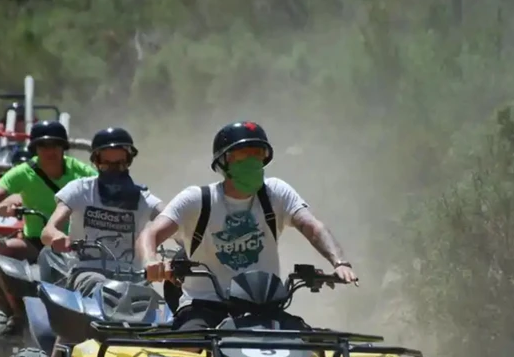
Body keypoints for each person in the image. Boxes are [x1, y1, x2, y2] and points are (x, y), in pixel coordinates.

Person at [135, 120, 358, 331]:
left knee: (310, 348)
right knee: (188, 351)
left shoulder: (276, 192)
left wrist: (339, 262)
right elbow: (150, 233)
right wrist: (151, 261)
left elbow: (312, 227)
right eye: (243, 155)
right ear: (223, 162)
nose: (252, 161)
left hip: (265, 306)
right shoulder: (197, 200)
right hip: (204, 306)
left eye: (257, 154)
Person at [40, 127, 163, 357]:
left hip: (133, 278)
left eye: (120, 162)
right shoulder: (80, 190)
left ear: (129, 160)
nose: (114, 168)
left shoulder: (142, 197)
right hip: (85, 272)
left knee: (161, 313)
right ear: (96, 161)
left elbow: (173, 220)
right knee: (94, 293)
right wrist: (57, 237)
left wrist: (184, 243)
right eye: (107, 162)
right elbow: (48, 229)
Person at [0, 120, 97, 262]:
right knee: (5, 249)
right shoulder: (24, 172)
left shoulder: (80, 171)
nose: (50, 151)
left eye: (55, 145)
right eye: (43, 145)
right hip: (35, 243)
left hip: (74, 244)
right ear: (35, 148)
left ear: (63, 147)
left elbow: (108, 189)